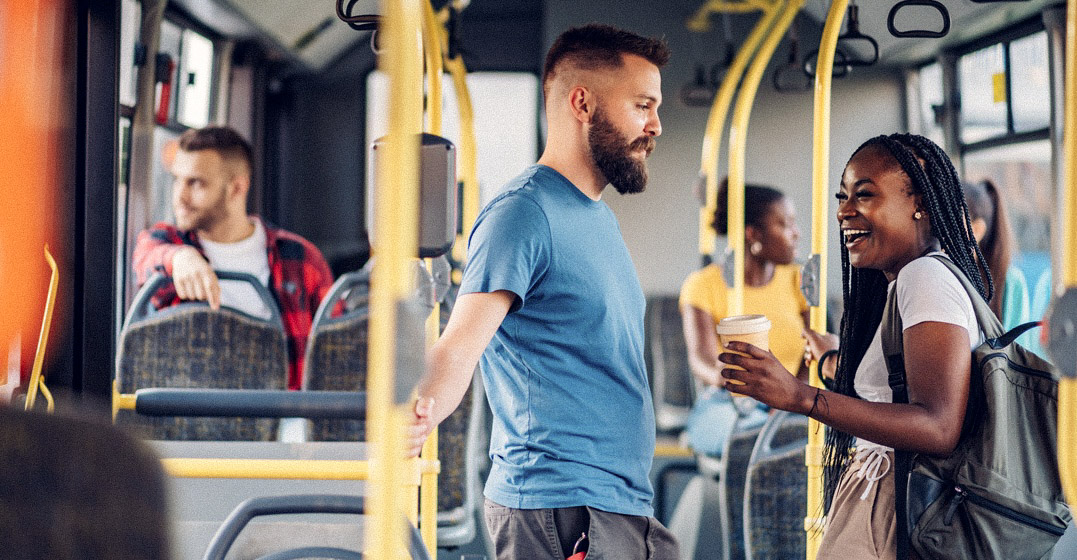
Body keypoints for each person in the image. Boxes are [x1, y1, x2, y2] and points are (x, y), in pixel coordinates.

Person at [407, 24, 679, 560]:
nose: (656, 125)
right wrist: (408, 422)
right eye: (643, 106)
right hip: (561, 506)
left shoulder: (596, 217)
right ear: (582, 103)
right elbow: (460, 345)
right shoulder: (522, 214)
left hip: (613, 501)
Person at [717, 133, 990, 560]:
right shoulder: (911, 280)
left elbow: (938, 426)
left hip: (893, 506)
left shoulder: (925, 278)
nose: (844, 211)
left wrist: (800, 396)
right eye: (843, 197)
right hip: (883, 497)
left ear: (919, 202)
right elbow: (902, 388)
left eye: (864, 196)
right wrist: (835, 362)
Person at [132, 126, 333, 391]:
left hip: (284, 419)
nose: (179, 197)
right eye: (176, 180)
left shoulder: (301, 259)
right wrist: (180, 259)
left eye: (195, 183)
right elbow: (146, 258)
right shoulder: (170, 243)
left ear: (236, 188)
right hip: (191, 416)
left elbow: (332, 354)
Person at [679, 179, 809, 456]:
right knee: (754, 437)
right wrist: (752, 388)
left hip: (792, 401)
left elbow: (815, 351)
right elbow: (701, 362)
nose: (796, 234)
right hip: (726, 402)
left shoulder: (799, 281)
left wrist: (791, 397)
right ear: (753, 234)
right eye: (785, 224)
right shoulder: (702, 285)